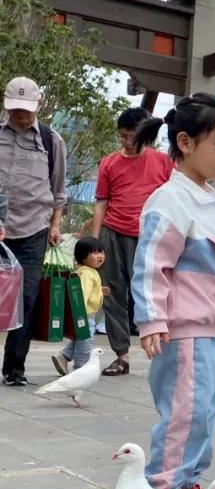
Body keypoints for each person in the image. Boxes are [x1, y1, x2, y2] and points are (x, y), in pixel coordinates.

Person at [131, 93, 215, 489]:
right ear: (185, 142)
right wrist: (151, 320)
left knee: (203, 413)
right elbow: (151, 267)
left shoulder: (212, 201)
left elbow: (214, 274)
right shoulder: (170, 200)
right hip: (180, 330)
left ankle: (187, 482)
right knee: (184, 413)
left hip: (208, 330)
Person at [91, 106, 174, 377]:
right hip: (113, 233)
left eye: (131, 136)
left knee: (154, 294)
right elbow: (101, 202)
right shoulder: (109, 163)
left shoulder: (164, 162)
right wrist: (94, 240)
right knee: (112, 294)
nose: (126, 141)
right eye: (122, 136)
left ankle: (168, 353)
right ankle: (122, 356)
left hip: (150, 237)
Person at [0, 77, 67, 387]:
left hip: (32, 230)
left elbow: (58, 190)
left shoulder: (51, 141)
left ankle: (14, 368)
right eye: (15, 110)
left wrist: (55, 224)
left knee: (25, 300)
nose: (20, 116)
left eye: (26, 110)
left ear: (37, 106)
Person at [50, 237, 107, 374]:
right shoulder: (87, 273)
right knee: (85, 342)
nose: (100, 255)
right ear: (83, 257)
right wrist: (79, 312)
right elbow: (82, 293)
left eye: (101, 252)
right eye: (94, 253)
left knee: (80, 338)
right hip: (84, 315)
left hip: (83, 314)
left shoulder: (84, 271)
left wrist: (99, 290)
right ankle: (81, 368)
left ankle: (64, 356)